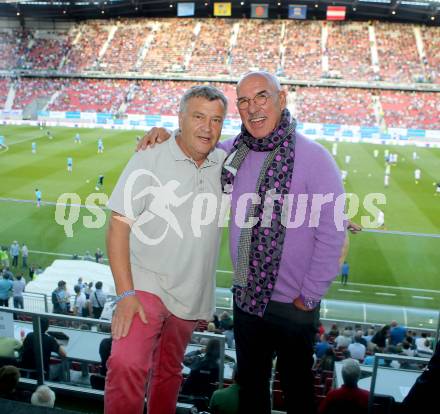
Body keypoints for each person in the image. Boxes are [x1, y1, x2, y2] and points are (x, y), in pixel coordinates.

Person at [138, 72, 346, 414]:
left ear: (283, 99)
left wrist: (308, 297)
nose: (253, 108)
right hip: (247, 300)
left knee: (297, 393)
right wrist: (166, 136)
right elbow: (195, 146)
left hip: (294, 306)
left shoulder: (315, 158)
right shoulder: (233, 151)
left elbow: (331, 233)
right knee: (250, 391)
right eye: (244, 102)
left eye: (262, 96)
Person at [104, 85, 228, 414]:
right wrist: (125, 294)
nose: (207, 127)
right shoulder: (150, 156)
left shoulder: (224, 162)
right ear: (180, 118)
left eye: (216, 120)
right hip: (146, 283)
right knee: (127, 364)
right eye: (199, 117)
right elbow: (118, 225)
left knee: (169, 372)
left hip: (191, 290)